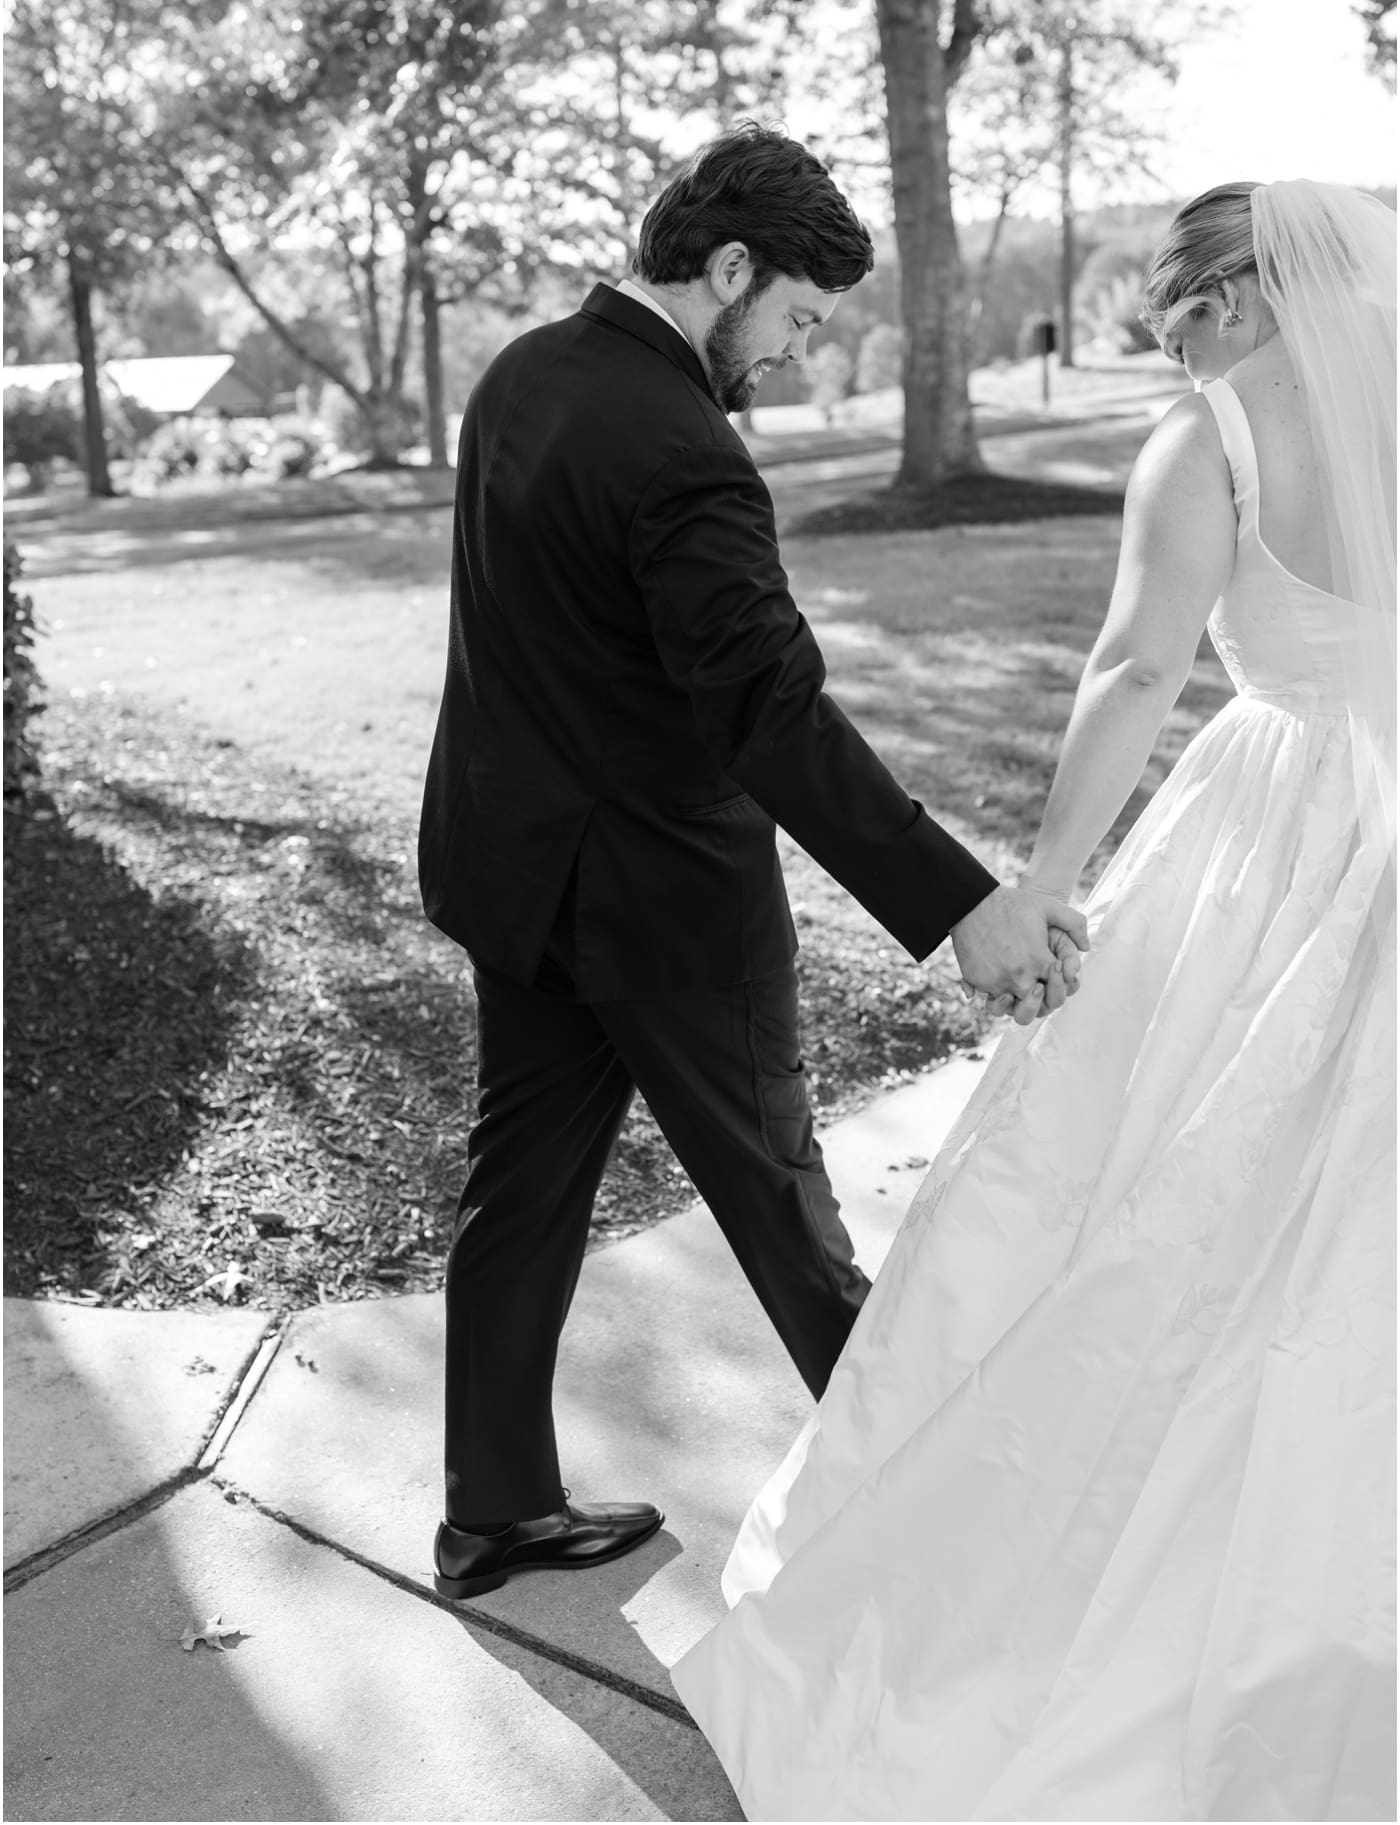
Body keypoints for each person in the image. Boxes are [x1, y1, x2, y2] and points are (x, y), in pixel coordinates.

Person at [671, 179, 1397, 1822]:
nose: (1167, 333)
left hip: (1281, 830)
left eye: (1176, 304)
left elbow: (1138, 669)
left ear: (1238, 292)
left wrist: (1050, 879)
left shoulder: (1212, 439)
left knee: (1179, 1195)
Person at [417, 123, 1087, 1602]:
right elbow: (765, 712)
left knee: (517, 1191)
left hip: (513, 874)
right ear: (726, 268)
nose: (790, 352)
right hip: (665, 907)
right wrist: (961, 900)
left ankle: (494, 1510)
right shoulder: (684, 450)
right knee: (788, 1214)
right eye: (791, 316)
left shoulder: (522, 373)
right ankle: (951, 1539)